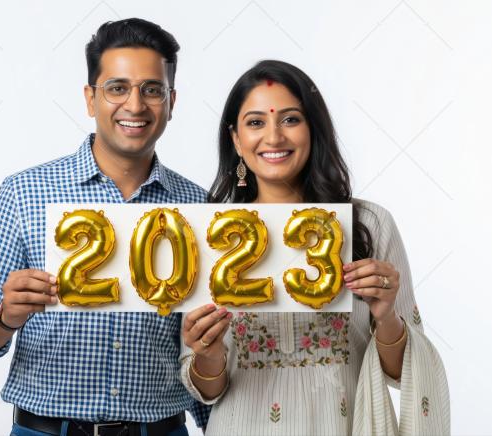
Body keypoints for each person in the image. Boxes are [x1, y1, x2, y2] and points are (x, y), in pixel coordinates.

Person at [0, 18, 210, 436]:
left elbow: (204, 350)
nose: (135, 105)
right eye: (117, 88)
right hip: (46, 429)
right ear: (91, 99)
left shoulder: (200, 206)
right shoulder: (25, 192)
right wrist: (5, 315)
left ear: (171, 100)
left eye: (152, 90)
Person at [180, 60, 450, 435]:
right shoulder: (208, 237)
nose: (273, 137)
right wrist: (207, 354)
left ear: (313, 129)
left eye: (290, 119)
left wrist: (386, 316)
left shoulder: (367, 225)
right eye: (256, 123)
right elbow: (207, 391)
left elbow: (402, 375)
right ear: (236, 140)